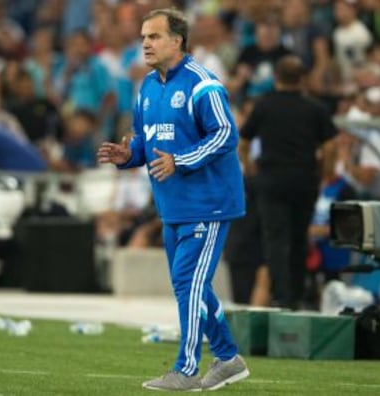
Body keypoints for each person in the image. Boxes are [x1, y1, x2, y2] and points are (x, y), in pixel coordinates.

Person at [97, 8, 249, 392]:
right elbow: (145, 143)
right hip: (173, 205)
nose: (145, 43)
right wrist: (127, 156)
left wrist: (179, 160)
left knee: (187, 281)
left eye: (154, 36)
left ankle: (186, 369)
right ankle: (229, 358)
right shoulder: (146, 87)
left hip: (209, 201)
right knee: (192, 285)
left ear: (177, 41)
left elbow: (226, 135)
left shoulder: (203, 84)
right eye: (143, 37)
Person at [240, 55, 338, 309]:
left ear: (276, 78)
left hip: (271, 179)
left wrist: (250, 168)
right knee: (298, 238)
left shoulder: (264, 105)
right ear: (302, 79)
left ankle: (281, 296)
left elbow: (244, 141)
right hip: (304, 180)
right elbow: (329, 146)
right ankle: (296, 294)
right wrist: (324, 173)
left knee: (275, 240)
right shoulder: (315, 108)